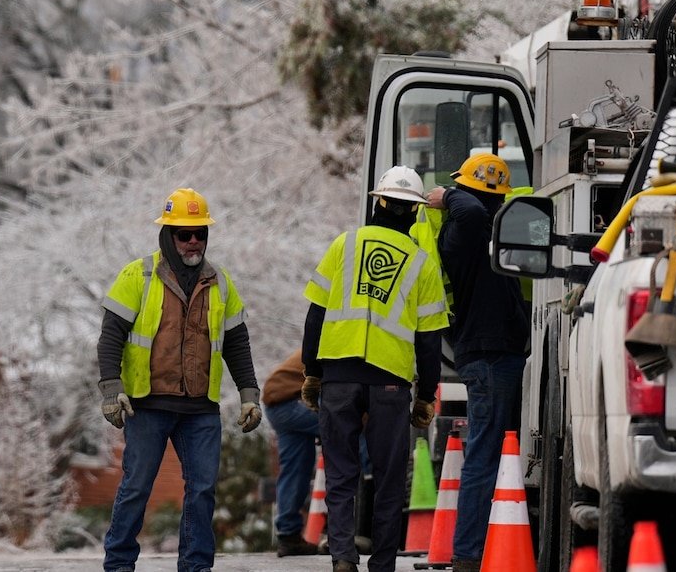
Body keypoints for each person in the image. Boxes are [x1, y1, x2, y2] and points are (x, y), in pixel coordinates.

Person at [97, 187, 262, 572]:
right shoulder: (137, 275)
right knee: (136, 488)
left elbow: (237, 342)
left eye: (200, 232)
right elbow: (110, 337)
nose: (193, 241)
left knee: (203, 490)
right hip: (148, 404)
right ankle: (118, 564)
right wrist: (111, 389)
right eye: (183, 233)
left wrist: (250, 394)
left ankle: (195, 566)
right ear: (166, 236)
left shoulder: (220, 282)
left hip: (200, 408)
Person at [301, 166, 450, 572]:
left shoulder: (343, 245)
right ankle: (382, 563)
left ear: (377, 202)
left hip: (339, 377)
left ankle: (344, 556)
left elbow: (315, 316)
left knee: (340, 471)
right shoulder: (423, 264)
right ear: (415, 213)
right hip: (389, 382)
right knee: (387, 477)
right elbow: (429, 340)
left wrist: (312, 372)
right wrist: (425, 395)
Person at [423, 153, 528, 572]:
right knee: (485, 454)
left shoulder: (484, 230)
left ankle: (476, 548)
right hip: (488, 357)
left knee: (492, 451)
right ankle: (468, 554)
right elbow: (466, 209)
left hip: (491, 354)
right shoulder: (463, 228)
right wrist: (449, 195)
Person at [263, 350, 322, 556]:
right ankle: (348, 528)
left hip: (277, 403)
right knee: (346, 430)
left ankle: (289, 536)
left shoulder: (319, 342)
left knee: (295, 469)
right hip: (290, 401)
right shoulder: (337, 348)